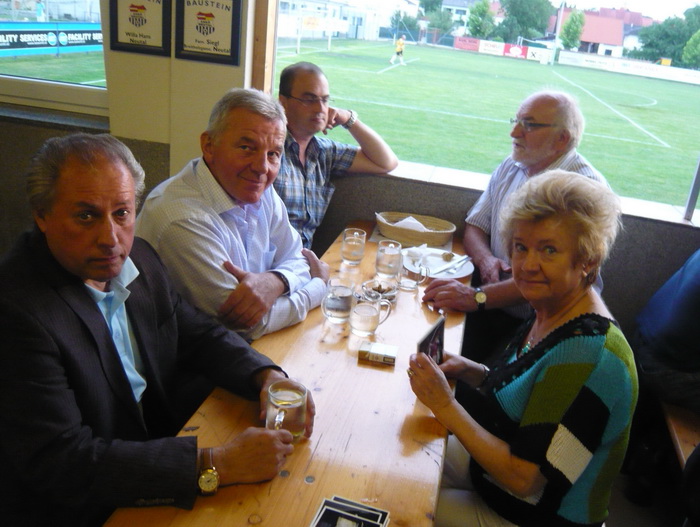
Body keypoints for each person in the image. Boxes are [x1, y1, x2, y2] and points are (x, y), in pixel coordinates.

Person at [0, 133, 315, 526]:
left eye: (122, 213)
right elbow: (63, 463)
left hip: (153, 455)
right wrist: (215, 464)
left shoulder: (140, 257)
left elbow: (196, 332)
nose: (110, 238)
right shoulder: (16, 312)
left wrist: (265, 375)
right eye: (86, 216)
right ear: (42, 215)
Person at [407, 170, 637, 527]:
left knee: (398, 503)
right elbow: (532, 399)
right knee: (399, 455)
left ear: (588, 259)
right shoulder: (551, 308)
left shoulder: (590, 354)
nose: (528, 265)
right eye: (520, 247)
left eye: (549, 250)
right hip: (493, 478)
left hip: (531, 514)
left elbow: (524, 479)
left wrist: (445, 404)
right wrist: (472, 371)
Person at [423, 90, 607, 363]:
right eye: (516, 121)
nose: (514, 132)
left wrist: (477, 297)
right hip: (490, 304)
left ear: (562, 139)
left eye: (529, 125)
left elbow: (548, 277)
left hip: (539, 321)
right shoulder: (513, 165)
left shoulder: (582, 190)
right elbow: (475, 225)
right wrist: (486, 260)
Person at [136, 88, 329, 341]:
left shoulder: (259, 189)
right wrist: (319, 287)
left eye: (273, 154)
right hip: (190, 357)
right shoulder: (181, 218)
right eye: (247, 147)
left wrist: (276, 280)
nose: (262, 167)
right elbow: (251, 324)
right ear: (209, 146)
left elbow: (298, 257)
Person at [275, 61, 399, 248]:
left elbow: (386, 162)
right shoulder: (269, 150)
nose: (320, 109)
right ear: (283, 102)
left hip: (304, 260)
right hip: (269, 261)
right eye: (309, 99)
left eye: (325, 100)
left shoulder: (324, 152)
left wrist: (348, 119)